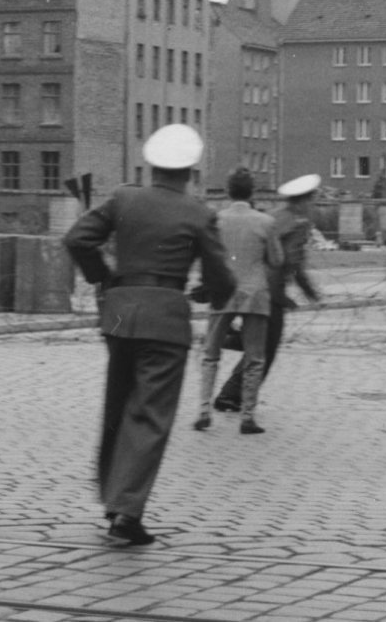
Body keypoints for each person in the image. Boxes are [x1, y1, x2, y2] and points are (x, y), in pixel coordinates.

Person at [64, 124, 235, 546]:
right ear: (190, 170)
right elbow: (222, 280)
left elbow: (77, 238)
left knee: (118, 407)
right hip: (164, 319)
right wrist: (206, 292)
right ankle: (126, 513)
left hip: (119, 317)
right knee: (150, 416)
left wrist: (104, 278)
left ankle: (110, 497)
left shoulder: (123, 197)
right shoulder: (198, 212)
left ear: (152, 165)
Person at [212, 173, 322, 413]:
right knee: (265, 349)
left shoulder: (276, 217)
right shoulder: (297, 224)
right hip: (268, 292)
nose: (313, 204)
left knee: (258, 343)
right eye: (312, 199)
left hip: (245, 285)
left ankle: (231, 388)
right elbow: (289, 262)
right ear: (303, 200)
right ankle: (231, 395)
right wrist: (293, 295)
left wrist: (305, 291)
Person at [194, 167, 283, 435]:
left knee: (211, 354)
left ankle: (203, 410)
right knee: (255, 356)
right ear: (252, 192)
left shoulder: (215, 220)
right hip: (255, 293)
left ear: (227, 192)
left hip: (223, 292)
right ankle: (247, 416)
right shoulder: (265, 222)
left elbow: (207, 258)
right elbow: (277, 260)